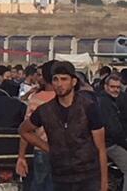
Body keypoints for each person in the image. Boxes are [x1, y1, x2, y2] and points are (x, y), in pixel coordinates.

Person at [19, 61, 107, 191]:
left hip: (88, 175)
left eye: (64, 79)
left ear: (74, 81)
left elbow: (101, 148)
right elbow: (24, 130)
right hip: (60, 176)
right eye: (56, 79)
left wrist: (104, 183)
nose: (59, 84)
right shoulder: (45, 110)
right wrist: (49, 148)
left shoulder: (88, 107)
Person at [17, 60, 58, 191]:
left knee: (40, 184)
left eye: (40, 75)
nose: (38, 78)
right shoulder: (68, 98)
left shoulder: (36, 99)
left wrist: (21, 156)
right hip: (65, 150)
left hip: (41, 149)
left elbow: (26, 129)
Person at [99, 73, 127, 191]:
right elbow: (113, 130)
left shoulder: (112, 100)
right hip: (109, 144)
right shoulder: (105, 102)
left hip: (110, 141)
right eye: (112, 87)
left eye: (117, 87)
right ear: (106, 86)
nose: (115, 90)